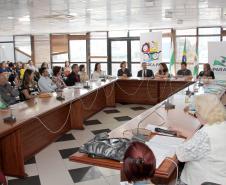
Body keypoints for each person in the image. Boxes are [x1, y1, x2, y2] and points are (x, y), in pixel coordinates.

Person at [176, 94, 226, 185]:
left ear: (203, 113)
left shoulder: (206, 133)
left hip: (201, 180)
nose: (196, 115)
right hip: (221, 176)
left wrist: (188, 138)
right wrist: (192, 135)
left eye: (197, 112)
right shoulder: (222, 124)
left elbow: (181, 155)